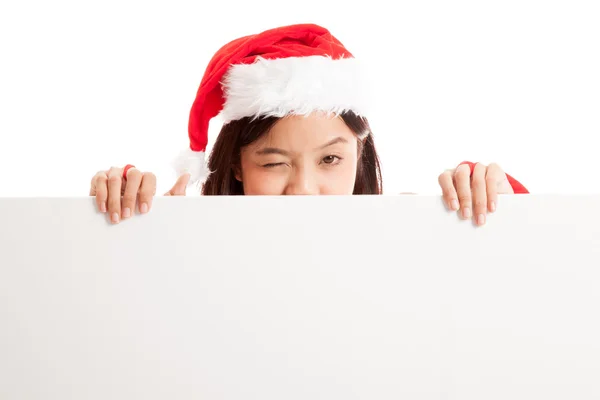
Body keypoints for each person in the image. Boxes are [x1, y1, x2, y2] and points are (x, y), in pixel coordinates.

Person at [89, 23, 529, 226]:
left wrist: (496, 199)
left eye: (331, 158)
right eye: (275, 163)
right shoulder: (189, 236)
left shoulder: (406, 231)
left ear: (360, 155)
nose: (304, 189)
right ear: (237, 164)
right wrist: (130, 217)